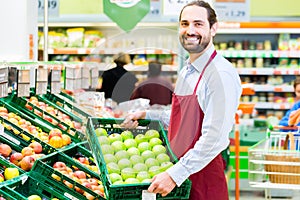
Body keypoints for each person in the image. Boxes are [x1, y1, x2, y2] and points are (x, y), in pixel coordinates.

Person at [121, 1, 242, 199]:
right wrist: (147, 114)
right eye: (185, 24)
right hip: (180, 177)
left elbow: (215, 138)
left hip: (201, 180)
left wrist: (174, 175)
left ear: (214, 29)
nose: (190, 30)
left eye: (198, 24)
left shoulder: (221, 74)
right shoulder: (187, 71)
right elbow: (184, 119)